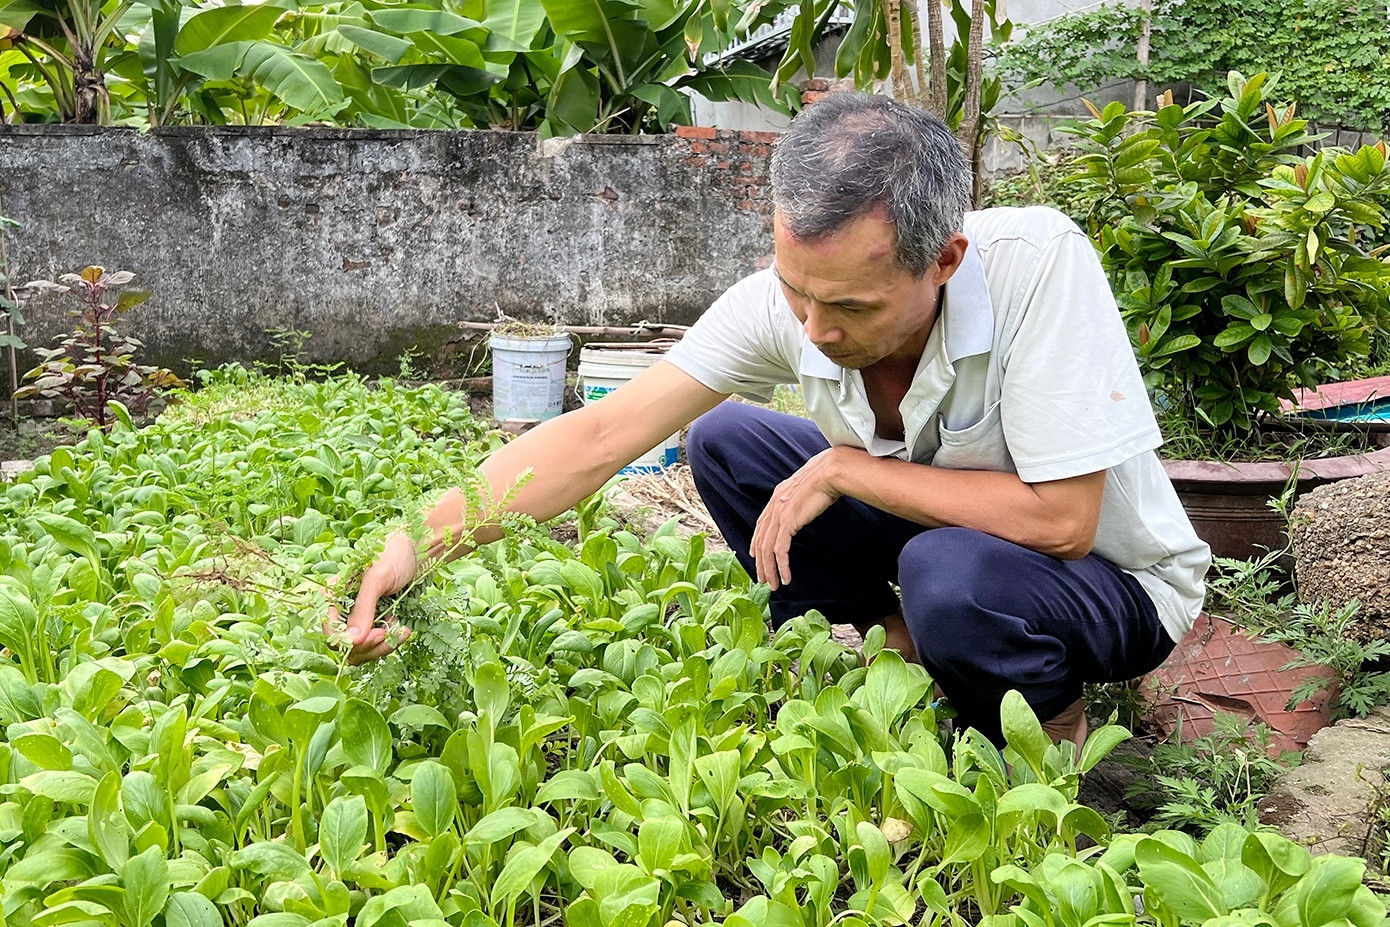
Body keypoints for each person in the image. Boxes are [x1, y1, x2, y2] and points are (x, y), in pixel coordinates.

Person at [339, 92, 1211, 747]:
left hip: (1112, 584)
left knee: (949, 569)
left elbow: (1064, 521)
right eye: (798, 293)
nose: (818, 332)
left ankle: (1046, 736)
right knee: (727, 440)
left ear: (944, 260)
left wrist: (841, 469)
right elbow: (599, 436)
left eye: (852, 308)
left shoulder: (1036, 266)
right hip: (948, 538)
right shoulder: (791, 303)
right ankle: (903, 653)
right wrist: (415, 541)